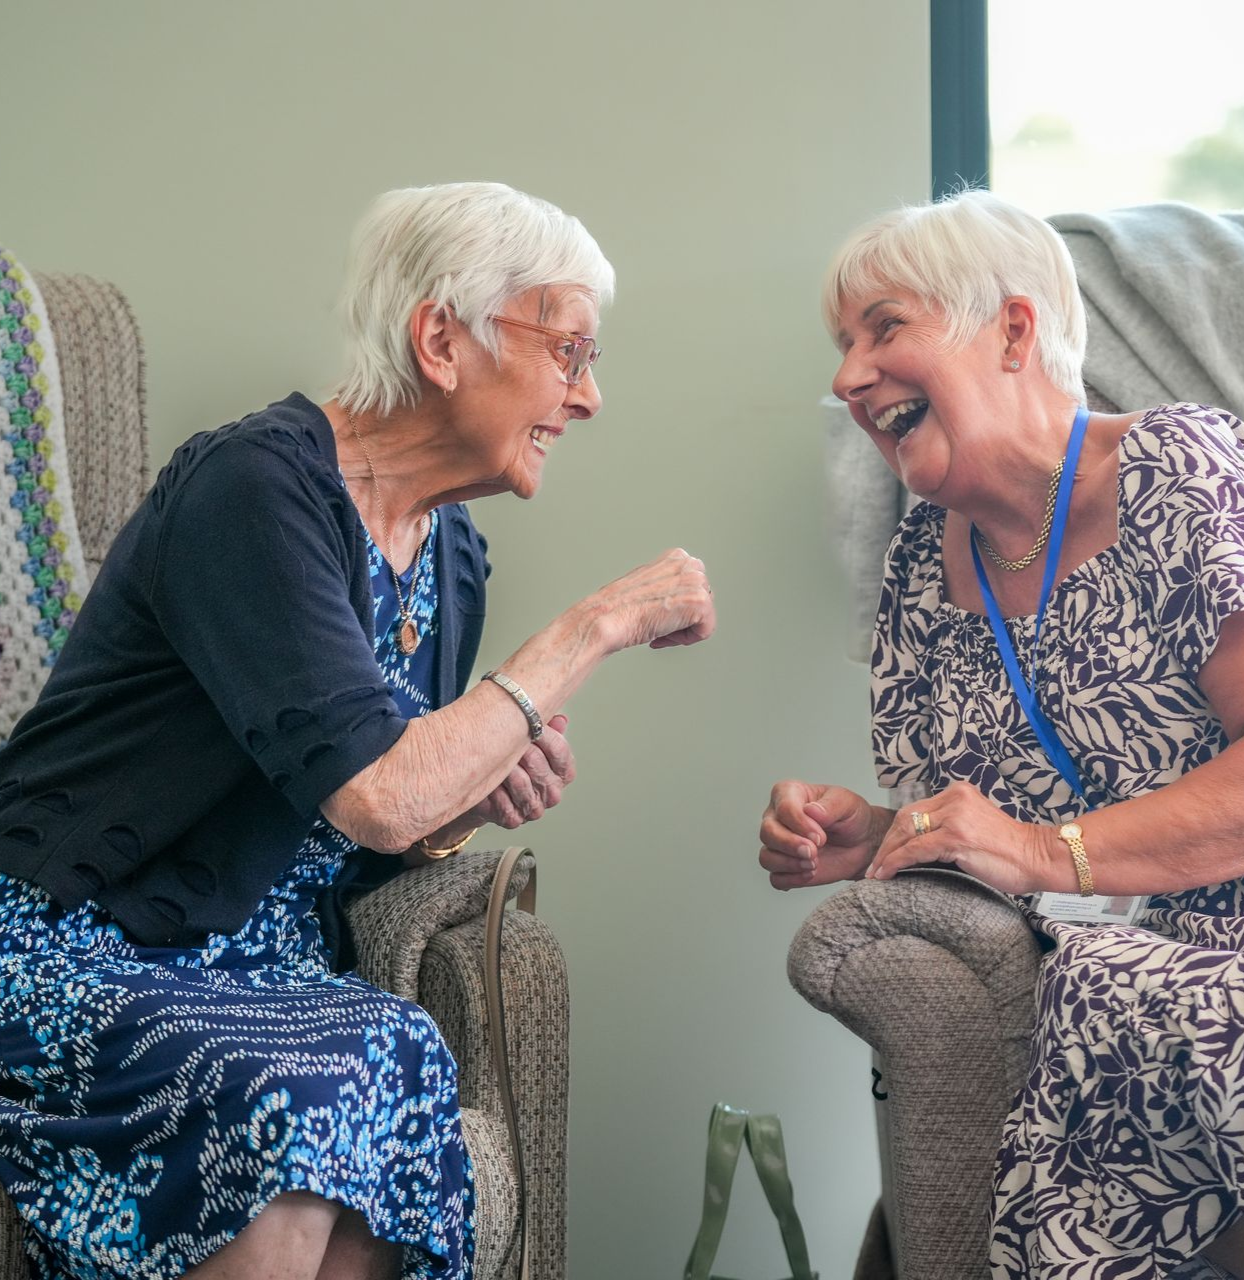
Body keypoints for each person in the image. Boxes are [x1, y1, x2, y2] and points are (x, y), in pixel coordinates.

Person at [0, 182, 715, 1280]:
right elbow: (376, 787)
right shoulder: (255, 488)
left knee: (391, 1047)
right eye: (568, 350)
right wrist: (594, 624)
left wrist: (472, 789)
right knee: (300, 1087)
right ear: (440, 337)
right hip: (83, 937)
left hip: (261, 970)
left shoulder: (449, 550)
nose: (588, 396)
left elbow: (384, 821)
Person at [759, 188, 1244, 1280]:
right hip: (1093, 952)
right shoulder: (916, 565)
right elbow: (984, 827)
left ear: (1011, 329)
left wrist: (1048, 852)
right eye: (842, 346)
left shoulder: (1176, 471)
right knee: (1098, 986)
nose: (848, 377)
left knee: (1128, 995)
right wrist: (879, 831)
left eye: (884, 328)